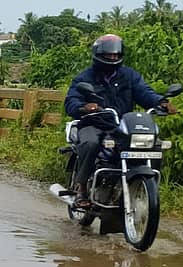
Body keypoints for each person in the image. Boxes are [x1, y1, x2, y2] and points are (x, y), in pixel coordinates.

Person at [64, 34, 175, 208]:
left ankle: (143, 186)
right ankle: (81, 188)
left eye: (116, 55)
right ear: (99, 55)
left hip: (121, 124)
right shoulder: (85, 77)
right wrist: (85, 107)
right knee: (91, 142)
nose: (113, 58)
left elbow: (144, 92)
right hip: (94, 123)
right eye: (109, 55)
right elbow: (71, 101)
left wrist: (160, 102)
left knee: (154, 144)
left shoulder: (129, 75)